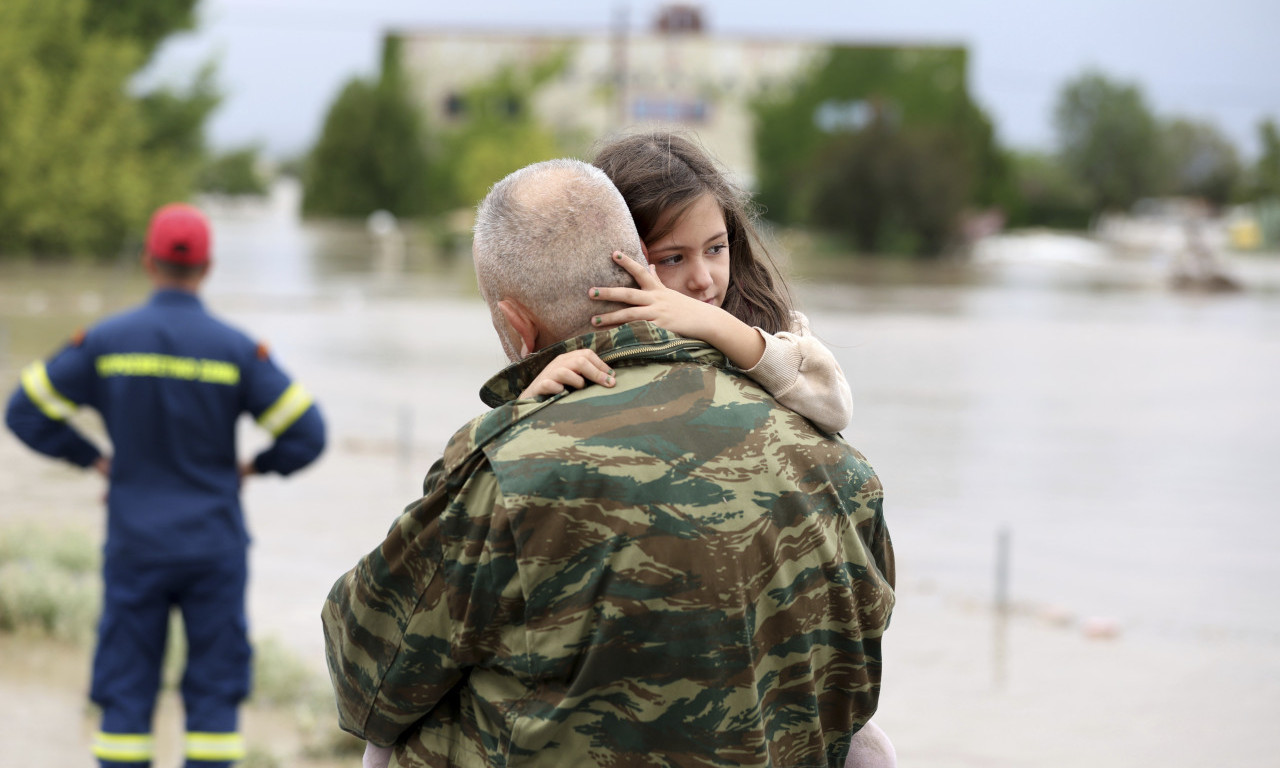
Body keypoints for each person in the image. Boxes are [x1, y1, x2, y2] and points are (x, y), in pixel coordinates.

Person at [323, 159, 894, 768]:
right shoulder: (835, 461)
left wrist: (513, 424)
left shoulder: (509, 468)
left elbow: (366, 673)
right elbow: (858, 674)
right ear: (645, 274)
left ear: (518, 325)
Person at [4, 203, 326, 768]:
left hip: (136, 546)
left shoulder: (105, 341)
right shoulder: (235, 349)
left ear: (148, 263)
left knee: (126, 691)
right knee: (214, 695)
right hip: (213, 547)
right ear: (207, 268)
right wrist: (251, 468)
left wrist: (94, 460)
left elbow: (25, 411)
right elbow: (307, 434)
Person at [519, 131, 853, 438]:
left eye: (715, 249)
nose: (703, 279)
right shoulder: (588, 344)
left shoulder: (771, 324)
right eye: (673, 259)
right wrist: (528, 404)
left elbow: (835, 407)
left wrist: (718, 326)